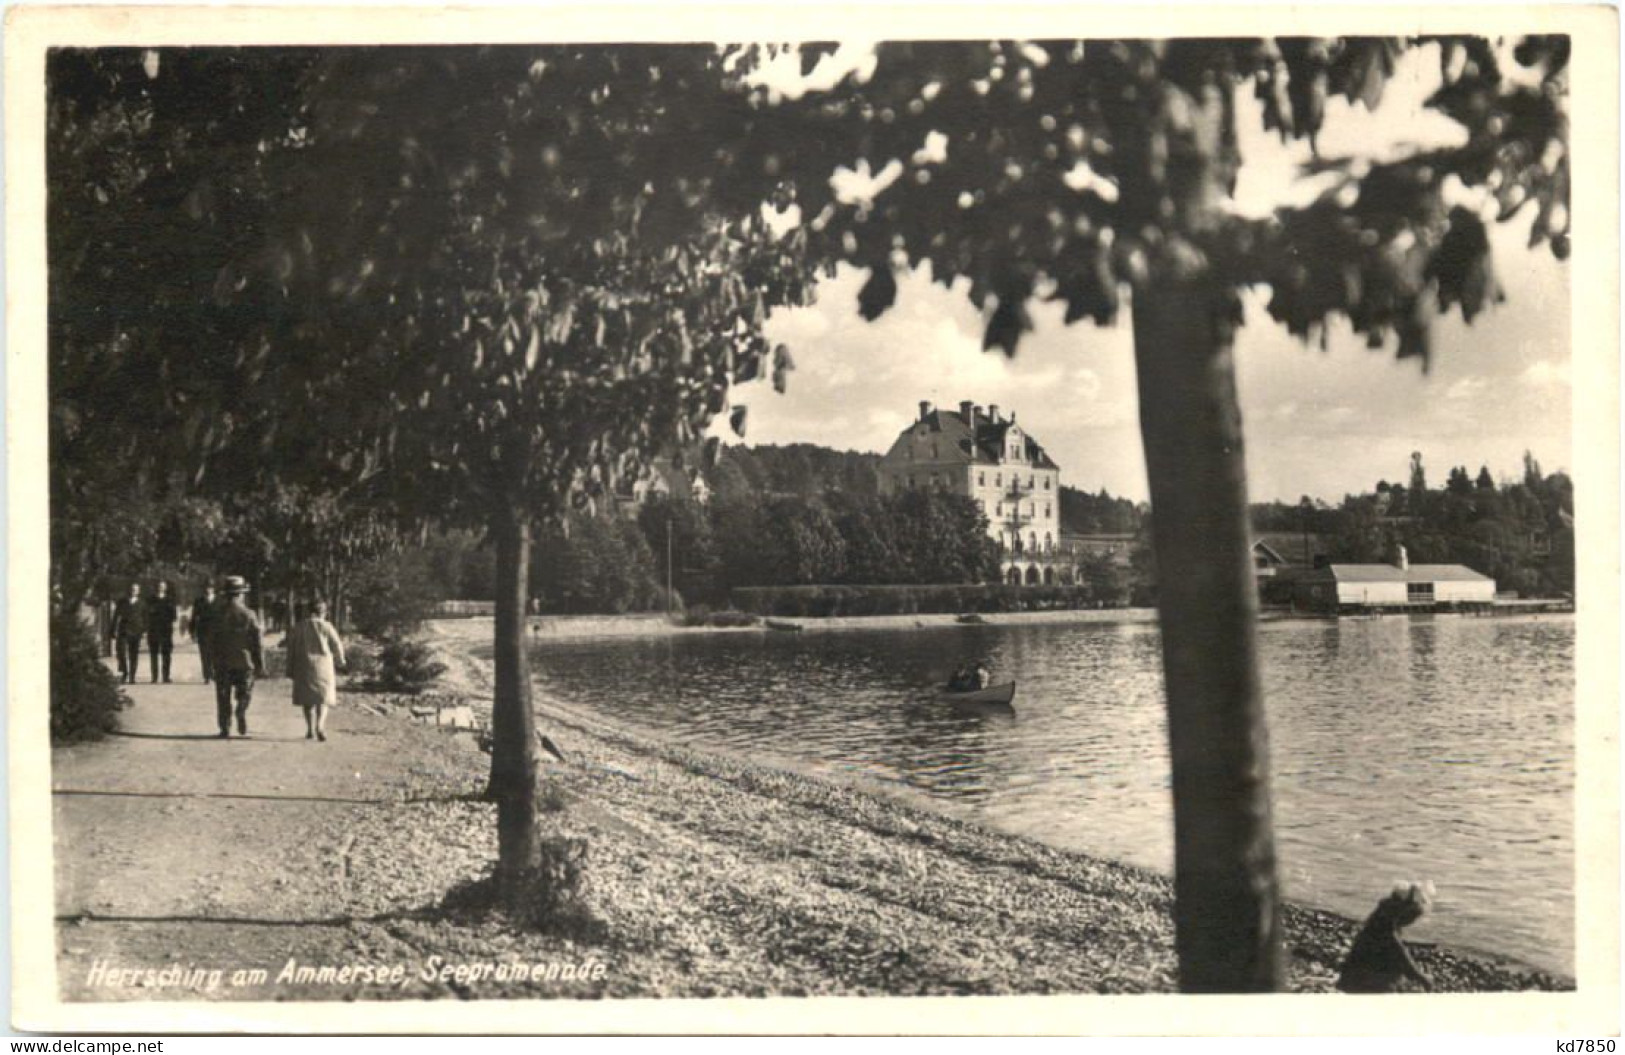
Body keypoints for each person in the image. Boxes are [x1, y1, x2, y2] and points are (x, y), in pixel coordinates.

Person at [1336, 881, 1437, 993]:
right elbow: (1401, 957)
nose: (1412, 921)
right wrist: (1422, 978)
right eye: (1412, 917)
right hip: (1364, 983)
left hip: (1352, 978)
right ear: (1404, 911)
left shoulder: (1380, 917)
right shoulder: (1387, 930)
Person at [209, 576, 265, 739]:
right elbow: (257, 642)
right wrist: (260, 663)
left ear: (225, 595)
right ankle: (241, 709)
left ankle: (225, 727)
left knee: (223, 695)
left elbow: (211, 640)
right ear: (241, 594)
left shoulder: (217, 615)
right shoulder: (249, 614)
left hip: (223, 661)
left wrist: (211, 662)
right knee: (245, 691)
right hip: (244, 661)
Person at [287, 599, 345, 742]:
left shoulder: (299, 627)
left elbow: (291, 647)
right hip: (323, 665)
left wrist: (290, 666)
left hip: (303, 664)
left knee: (307, 700)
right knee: (323, 698)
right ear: (323, 612)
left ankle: (309, 729)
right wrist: (341, 660)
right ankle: (320, 726)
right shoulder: (327, 626)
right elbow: (336, 644)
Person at [110, 582, 145, 685]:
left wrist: (144, 630)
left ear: (138, 591)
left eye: (135, 589)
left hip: (136, 630)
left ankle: (132, 676)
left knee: (133, 654)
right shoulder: (122, 602)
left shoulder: (142, 603)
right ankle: (124, 672)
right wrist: (112, 630)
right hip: (124, 630)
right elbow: (116, 616)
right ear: (128, 590)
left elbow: (146, 618)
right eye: (131, 589)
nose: (133, 591)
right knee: (120, 651)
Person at [145, 580, 178, 683]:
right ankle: (154, 677)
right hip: (154, 630)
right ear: (157, 587)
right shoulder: (151, 599)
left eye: (163, 586)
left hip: (166, 630)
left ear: (166, 588)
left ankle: (166, 676)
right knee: (153, 653)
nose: (161, 588)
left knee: (166, 653)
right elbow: (147, 614)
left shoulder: (170, 600)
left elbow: (174, 616)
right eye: (159, 586)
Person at [190, 582, 219, 683]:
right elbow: (194, 616)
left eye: (210, 587)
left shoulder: (219, 600)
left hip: (216, 631)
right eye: (207, 587)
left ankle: (214, 674)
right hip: (203, 631)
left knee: (215, 654)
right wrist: (192, 631)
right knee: (204, 654)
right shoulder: (199, 601)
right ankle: (207, 676)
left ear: (213, 589)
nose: (208, 590)